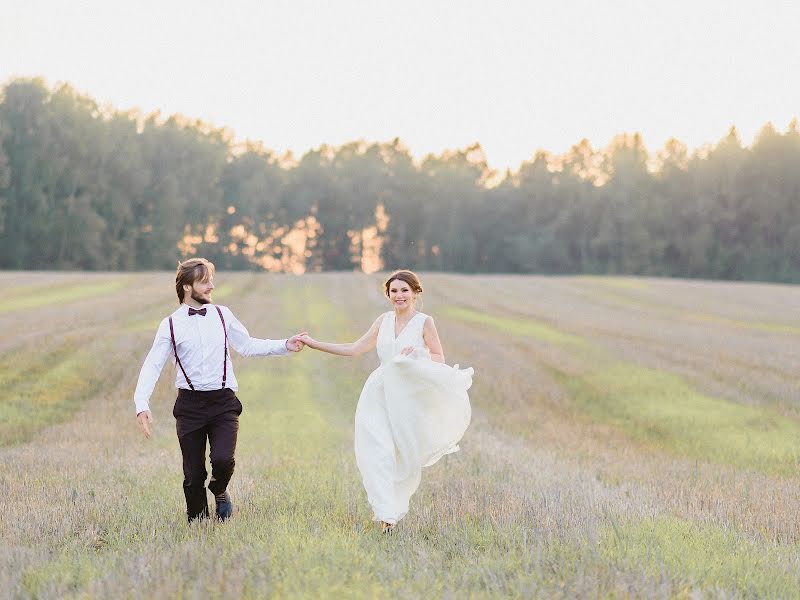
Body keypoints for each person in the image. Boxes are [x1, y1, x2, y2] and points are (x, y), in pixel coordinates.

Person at [299, 270, 472, 533]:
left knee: (403, 459)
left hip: (408, 399)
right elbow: (354, 349)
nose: (399, 296)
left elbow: (438, 357)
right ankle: (386, 517)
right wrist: (313, 343)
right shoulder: (383, 321)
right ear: (388, 295)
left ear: (415, 293)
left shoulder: (425, 322)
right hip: (378, 393)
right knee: (377, 453)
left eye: (404, 290)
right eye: (394, 291)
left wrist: (417, 354)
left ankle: (393, 509)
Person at [133, 258, 305, 522]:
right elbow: (152, 365)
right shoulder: (170, 325)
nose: (211, 286)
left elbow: (247, 345)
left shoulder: (223, 315)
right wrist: (141, 404)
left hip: (223, 401)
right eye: (204, 282)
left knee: (223, 460)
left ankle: (220, 489)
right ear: (188, 287)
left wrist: (285, 344)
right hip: (190, 405)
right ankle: (198, 524)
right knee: (193, 475)